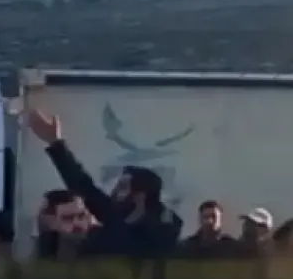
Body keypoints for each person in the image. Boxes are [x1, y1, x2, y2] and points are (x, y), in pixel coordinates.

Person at [26, 110, 182, 257]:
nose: (114, 191)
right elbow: (84, 186)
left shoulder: (161, 231)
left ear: (140, 197)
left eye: (122, 187)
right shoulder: (118, 219)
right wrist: (56, 144)